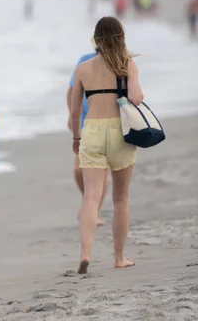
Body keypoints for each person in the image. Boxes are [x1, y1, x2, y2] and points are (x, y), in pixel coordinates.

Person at [70, 17, 143, 275]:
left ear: (96, 39)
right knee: (120, 198)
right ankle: (119, 257)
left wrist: (77, 139)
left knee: (91, 197)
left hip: (91, 130)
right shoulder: (127, 64)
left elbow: (75, 110)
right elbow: (135, 97)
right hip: (119, 132)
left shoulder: (83, 68)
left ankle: (85, 253)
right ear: (120, 37)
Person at [67, 54, 109, 226]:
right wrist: (71, 115)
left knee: (101, 171)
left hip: (109, 125)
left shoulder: (117, 61)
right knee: (78, 171)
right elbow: (71, 90)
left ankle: (93, 210)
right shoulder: (85, 60)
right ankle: (89, 203)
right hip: (85, 122)